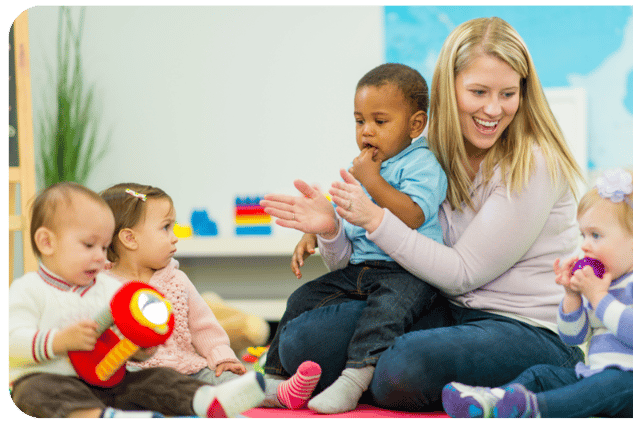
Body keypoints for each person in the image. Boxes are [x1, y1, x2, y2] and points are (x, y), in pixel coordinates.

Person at [263, 16, 586, 412]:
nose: (493, 109)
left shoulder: (535, 162)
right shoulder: (424, 153)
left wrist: (375, 218)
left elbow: (463, 273)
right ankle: (381, 379)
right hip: (445, 311)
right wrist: (331, 229)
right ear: (449, 91)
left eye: (508, 93)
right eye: (478, 91)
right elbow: (361, 260)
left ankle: (552, 376)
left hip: (522, 327)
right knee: (301, 342)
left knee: (401, 368)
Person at [261, 63, 448, 413]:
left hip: (407, 273)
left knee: (385, 314)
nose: (367, 132)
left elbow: (412, 215)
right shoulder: (366, 167)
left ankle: (355, 378)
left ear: (415, 125)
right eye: (360, 121)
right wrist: (317, 231)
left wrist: (372, 180)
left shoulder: (421, 164)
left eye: (380, 121)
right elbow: (348, 216)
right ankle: (273, 379)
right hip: (362, 268)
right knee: (304, 297)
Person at [442, 168, 633, 418]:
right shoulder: (604, 283)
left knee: (609, 384)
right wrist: (572, 296)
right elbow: (573, 338)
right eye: (583, 234)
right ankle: (492, 401)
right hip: (601, 378)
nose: (584, 244)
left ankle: (535, 409)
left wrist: (597, 297)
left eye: (595, 235)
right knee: (543, 373)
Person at [8, 182, 266, 418]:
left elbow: (126, 336)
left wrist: (142, 348)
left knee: (156, 378)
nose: (100, 256)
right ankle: (97, 417)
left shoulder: (108, 288)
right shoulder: (29, 290)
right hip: (56, 381)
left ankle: (206, 400)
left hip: (111, 383)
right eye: (89, 246)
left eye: (104, 246)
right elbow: (11, 340)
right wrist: (58, 341)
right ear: (47, 242)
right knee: (32, 391)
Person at [99, 183, 321, 407]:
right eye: (165, 228)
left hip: (188, 370)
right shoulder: (102, 286)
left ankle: (281, 392)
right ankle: (201, 403)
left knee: (228, 380)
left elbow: (203, 326)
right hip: (135, 375)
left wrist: (222, 356)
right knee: (125, 391)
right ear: (130, 239)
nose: (174, 237)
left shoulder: (177, 280)